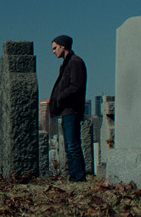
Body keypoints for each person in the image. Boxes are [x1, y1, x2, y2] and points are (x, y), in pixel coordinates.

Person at [49, 35, 87, 182]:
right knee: (69, 146)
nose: (53, 52)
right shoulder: (66, 63)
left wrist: (59, 97)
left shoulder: (75, 62)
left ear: (63, 46)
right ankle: (74, 175)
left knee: (72, 145)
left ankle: (78, 176)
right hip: (66, 110)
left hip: (72, 110)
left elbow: (75, 86)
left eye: (55, 48)